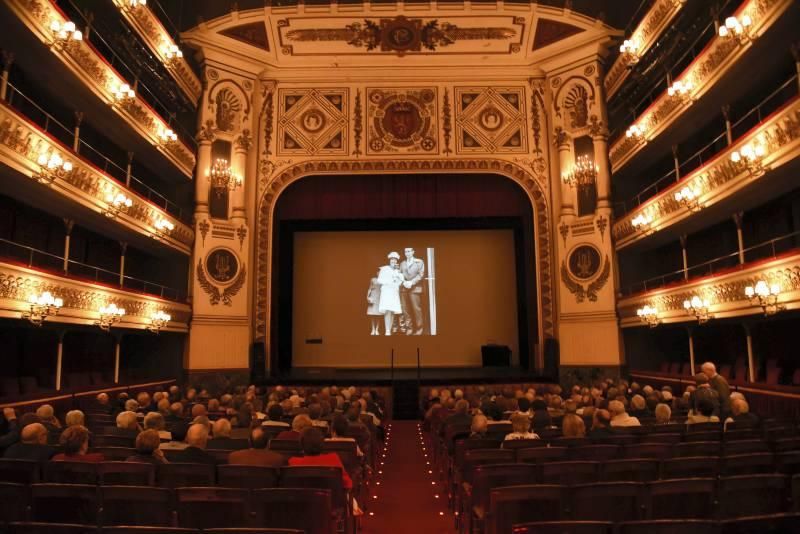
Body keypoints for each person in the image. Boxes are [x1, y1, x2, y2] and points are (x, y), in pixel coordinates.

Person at [377, 251, 405, 336]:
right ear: (389, 260)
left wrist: (398, 278)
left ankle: (389, 329)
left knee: (393, 311)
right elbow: (379, 280)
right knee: (388, 311)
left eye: (395, 260)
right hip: (386, 292)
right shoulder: (384, 269)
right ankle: (387, 331)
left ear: (397, 261)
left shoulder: (397, 270)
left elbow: (400, 282)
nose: (394, 261)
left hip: (394, 292)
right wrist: (388, 281)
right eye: (392, 259)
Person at [400, 247, 425, 335]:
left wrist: (411, 282)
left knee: (416, 309)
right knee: (405, 310)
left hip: (415, 288)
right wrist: (404, 282)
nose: (407, 253)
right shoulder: (402, 263)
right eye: (406, 251)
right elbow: (400, 274)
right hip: (404, 288)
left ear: (413, 252)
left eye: (409, 251)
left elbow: (421, 275)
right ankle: (409, 329)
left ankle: (419, 329)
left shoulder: (419, 262)